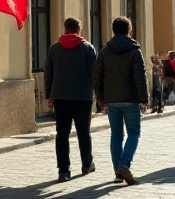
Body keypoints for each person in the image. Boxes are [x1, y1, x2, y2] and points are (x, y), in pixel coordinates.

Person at [93, 17, 149, 185]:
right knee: (134, 133)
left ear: (113, 31)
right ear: (129, 30)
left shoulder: (104, 51)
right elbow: (140, 76)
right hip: (131, 99)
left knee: (116, 135)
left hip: (111, 100)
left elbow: (97, 77)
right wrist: (144, 98)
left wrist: (101, 99)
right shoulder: (134, 51)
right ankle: (124, 164)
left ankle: (118, 171)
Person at [44, 17, 98, 182]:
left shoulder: (54, 49)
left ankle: (63, 170)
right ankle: (86, 164)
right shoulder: (88, 49)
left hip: (60, 97)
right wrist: (98, 95)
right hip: (83, 97)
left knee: (62, 134)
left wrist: (49, 95)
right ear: (79, 29)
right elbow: (94, 74)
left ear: (65, 29)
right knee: (83, 133)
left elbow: (48, 74)